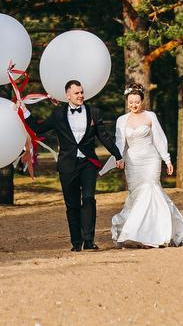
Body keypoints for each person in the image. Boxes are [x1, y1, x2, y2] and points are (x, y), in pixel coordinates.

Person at [28, 80, 123, 251]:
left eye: (81, 92)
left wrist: (117, 155)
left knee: (88, 199)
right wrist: (24, 112)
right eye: (76, 93)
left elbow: (104, 137)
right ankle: (76, 242)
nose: (80, 96)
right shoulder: (58, 114)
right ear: (68, 95)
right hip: (67, 165)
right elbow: (38, 129)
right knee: (71, 205)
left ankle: (89, 240)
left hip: (88, 163)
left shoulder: (94, 112)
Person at [110, 84, 183, 248]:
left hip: (150, 159)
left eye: (137, 102)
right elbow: (119, 142)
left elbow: (160, 139)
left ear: (142, 101)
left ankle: (157, 233)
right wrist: (119, 158)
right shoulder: (122, 120)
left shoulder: (150, 116)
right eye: (131, 102)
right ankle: (137, 233)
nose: (134, 105)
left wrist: (167, 160)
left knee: (151, 190)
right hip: (133, 162)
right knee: (137, 196)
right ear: (127, 101)